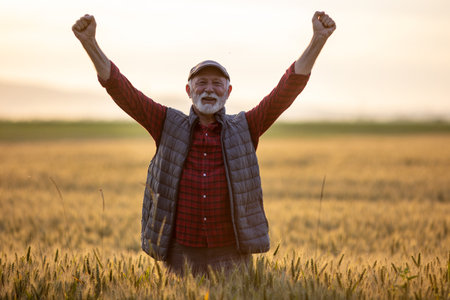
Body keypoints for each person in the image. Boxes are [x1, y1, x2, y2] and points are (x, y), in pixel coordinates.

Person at [72, 11, 336, 276]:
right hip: (180, 256)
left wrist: (317, 40)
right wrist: (90, 43)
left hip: (232, 257)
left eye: (217, 84)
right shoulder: (167, 124)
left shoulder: (246, 126)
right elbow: (122, 91)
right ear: (189, 91)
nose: (209, 89)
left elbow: (286, 91)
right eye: (201, 83)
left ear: (228, 91)